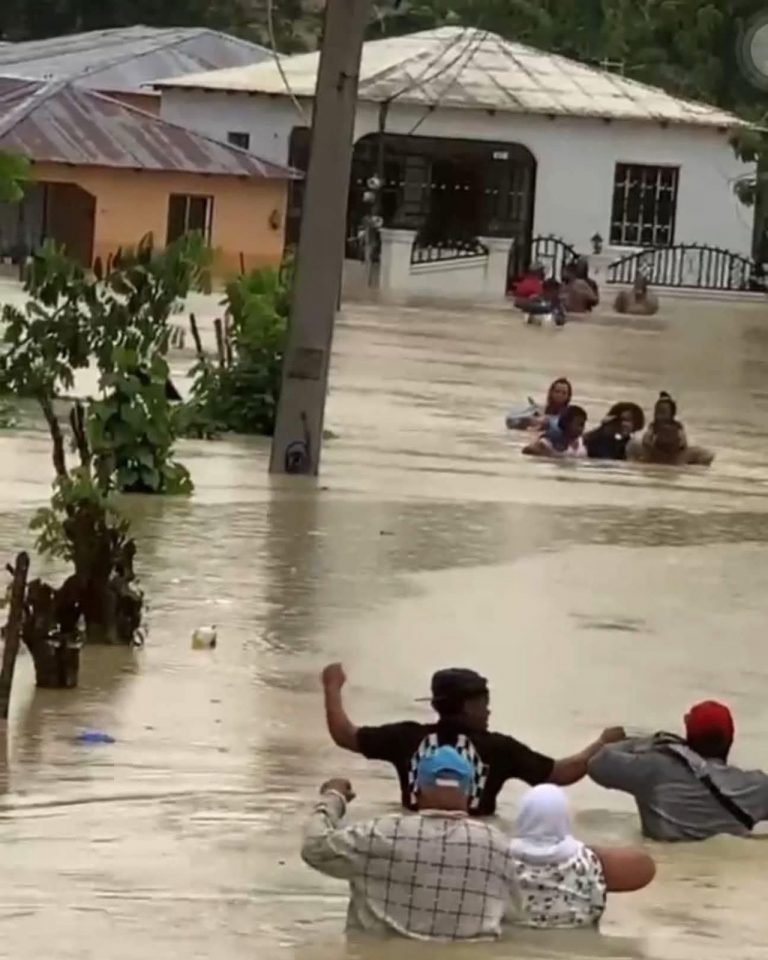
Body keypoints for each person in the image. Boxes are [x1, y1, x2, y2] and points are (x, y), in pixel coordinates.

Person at [321, 663, 625, 816]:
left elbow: (345, 735)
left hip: (411, 831)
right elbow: (561, 774)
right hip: (479, 839)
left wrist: (331, 686)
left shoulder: (405, 738)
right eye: (484, 703)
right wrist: (601, 743)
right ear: (469, 707)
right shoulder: (499, 749)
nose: (489, 710)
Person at [301, 746, 521, 940]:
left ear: (417, 791)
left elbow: (314, 847)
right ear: (469, 794)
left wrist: (333, 798)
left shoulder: (382, 833)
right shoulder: (498, 846)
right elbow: (515, 918)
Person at [588, 701, 768, 841]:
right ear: (731, 738)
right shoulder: (756, 787)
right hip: (725, 876)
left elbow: (597, 764)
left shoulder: (654, 768)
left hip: (664, 865)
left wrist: (650, 741)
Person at [511, 784, 655, 929]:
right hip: (577, 940)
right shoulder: (585, 859)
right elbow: (644, 869)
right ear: (564, 816)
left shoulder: (501, 855)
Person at [506, 377, 572, 431]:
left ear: (568, 396)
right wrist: (529, 421)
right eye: (557, 392)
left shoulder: (570, 415)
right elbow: (510, 420)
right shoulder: (538, 409)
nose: (560, 395)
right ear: (551, 393)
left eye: (564, 393)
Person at [523, 405, 587, 458]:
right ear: (567, 423)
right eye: (579, 424)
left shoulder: (580, 441)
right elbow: (527, 450)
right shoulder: (547, 443)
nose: (582, 428)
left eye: (583, 425)